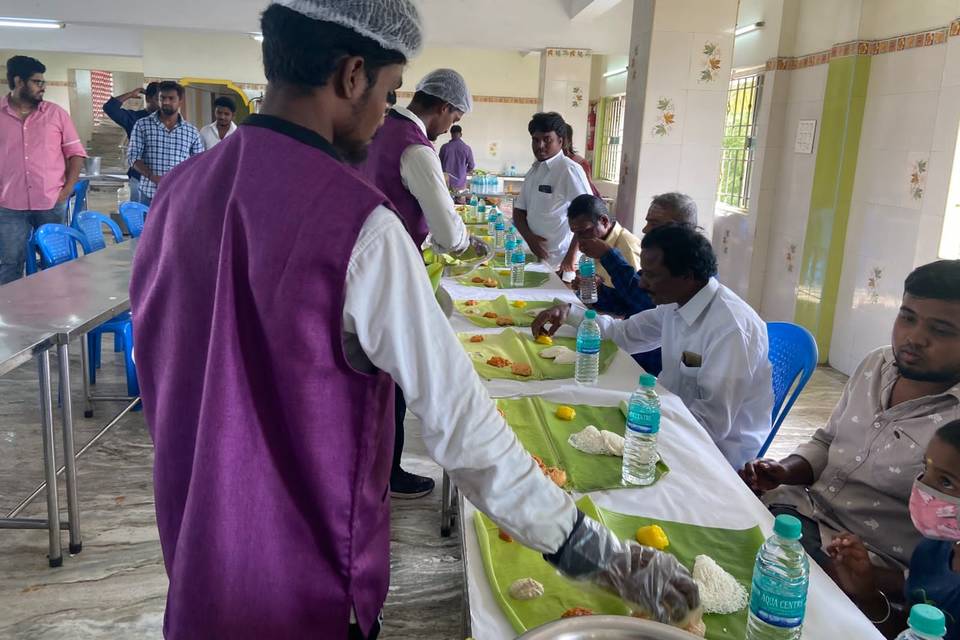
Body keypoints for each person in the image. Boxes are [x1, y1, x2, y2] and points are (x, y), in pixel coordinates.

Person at [128, 2, 699, 639]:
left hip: (197, 555)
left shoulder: (179, 195)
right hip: (303, 581)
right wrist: (595, 553)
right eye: (388, 91)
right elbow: (461, 421)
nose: (385, 116)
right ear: (351, 76)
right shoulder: (358, 227)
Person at [740, 260, 960, 573]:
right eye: (907, 318)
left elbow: (944, 558)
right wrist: (783, 470)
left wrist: (872, 581)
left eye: (940, 330)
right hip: (797, 512)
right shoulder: (876, 364)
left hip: (864, 564)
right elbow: (827, 441)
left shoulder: (955, 424)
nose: (915, 337)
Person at [533, 224, 773, 468]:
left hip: (712, 456)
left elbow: (710, 426)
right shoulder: (677, 303)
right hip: (667, 421)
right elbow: (623, 334)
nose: (641, 284)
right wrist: (569, 312)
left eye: (652, 275)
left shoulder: (730, 329)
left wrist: (635, 430)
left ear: (687, 276)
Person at [360, 67, 482, 498]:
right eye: (453, 116)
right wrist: (469, 244)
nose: (451, 126)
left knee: (374, 373)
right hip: (391, 275)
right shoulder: (417, 150)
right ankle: (388, 473)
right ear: (444, 108)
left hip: (364, 269)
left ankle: (371, 467)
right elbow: (449, 233)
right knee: (392, 378)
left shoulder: (377, 129)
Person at [828, 419, 960, 638]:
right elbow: (906, 633)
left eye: (946, 482)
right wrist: (867, 591)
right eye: (926, 468)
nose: (922, 486)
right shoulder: (933, 550)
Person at [0, 55, 86, 285]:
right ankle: (10, 316)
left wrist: (66, 189)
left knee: (55, 260)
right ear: (19, 82)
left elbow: (76, 153)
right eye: (38, 82)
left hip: (50, 202)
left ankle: (54, 312)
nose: (43, 87)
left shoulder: (56, 114)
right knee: (10, 262)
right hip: (9, 206)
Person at [513, 111, 592, 277]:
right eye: (535, 140)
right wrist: (531, 239)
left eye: (547, 140)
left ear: (560, 141)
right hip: (536, 259)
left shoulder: (569, 170)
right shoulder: (534, 170)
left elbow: (589, 216)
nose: (540, 145)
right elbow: (519, 211)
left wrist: (571, 255)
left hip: (562, 264)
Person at [127, 80, 203, 206]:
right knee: (148, 226)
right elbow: (132, 156)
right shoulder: (142, 125)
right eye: (162, 98)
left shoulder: (191, 131)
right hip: (149, 196)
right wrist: (152, 177)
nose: (166, 102)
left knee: (176, 227)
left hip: (179, 196)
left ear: (180, 101)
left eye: (171, 98)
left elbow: (199, 163)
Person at [103, 82, 160, 203]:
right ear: (148, 98)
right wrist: (131, 94)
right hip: (139, 178)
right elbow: (109, 108)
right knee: (140, 217)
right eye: (157, 99)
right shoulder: (135, 119)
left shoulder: (170, 122)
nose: (162, 103)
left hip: (163, 180)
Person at [561, 122, 600, 197]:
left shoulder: (579, 163)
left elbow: (587, 190)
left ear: (569, 141)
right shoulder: (544, 164)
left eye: (562, 139)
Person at [438, 124, 475, 190]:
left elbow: (438, 164)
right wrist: (463, 171)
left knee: (447, 200)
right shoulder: (466, 148)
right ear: (461, 134)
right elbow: (471, 166)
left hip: (446, 182)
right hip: (460, 183)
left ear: (451, 134)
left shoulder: (444, 147)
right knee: (460, 199)